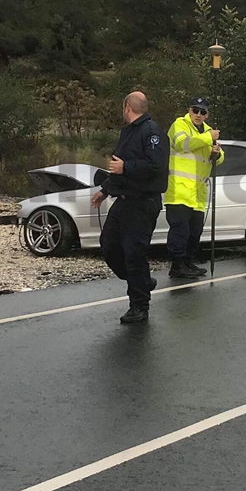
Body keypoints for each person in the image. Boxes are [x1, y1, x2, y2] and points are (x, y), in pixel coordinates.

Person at [90, 91, 167, 324]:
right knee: (109, 245)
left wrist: (128, 167)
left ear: (126, 108)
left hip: (143, 202)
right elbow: (117, 166)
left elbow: (157, 167)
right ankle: (142, 281)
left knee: (134, 254)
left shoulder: (152, 132)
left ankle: (139, 306)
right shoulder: (128, 132)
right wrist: (105, 190)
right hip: (122, 200)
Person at [163, 97, 224, 278]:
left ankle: (188, 262)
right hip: (179, 191)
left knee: (194, 232)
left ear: (207, 114)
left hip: (198, 193)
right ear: (189, 110)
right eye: (195, 110)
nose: (198, 114)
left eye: (202, 112)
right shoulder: (179, 125)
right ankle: (177, 265)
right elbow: (184, 144)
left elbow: (219, 160)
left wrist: (216, 152)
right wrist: (208, 138)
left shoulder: (207, 131)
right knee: (180, 230)